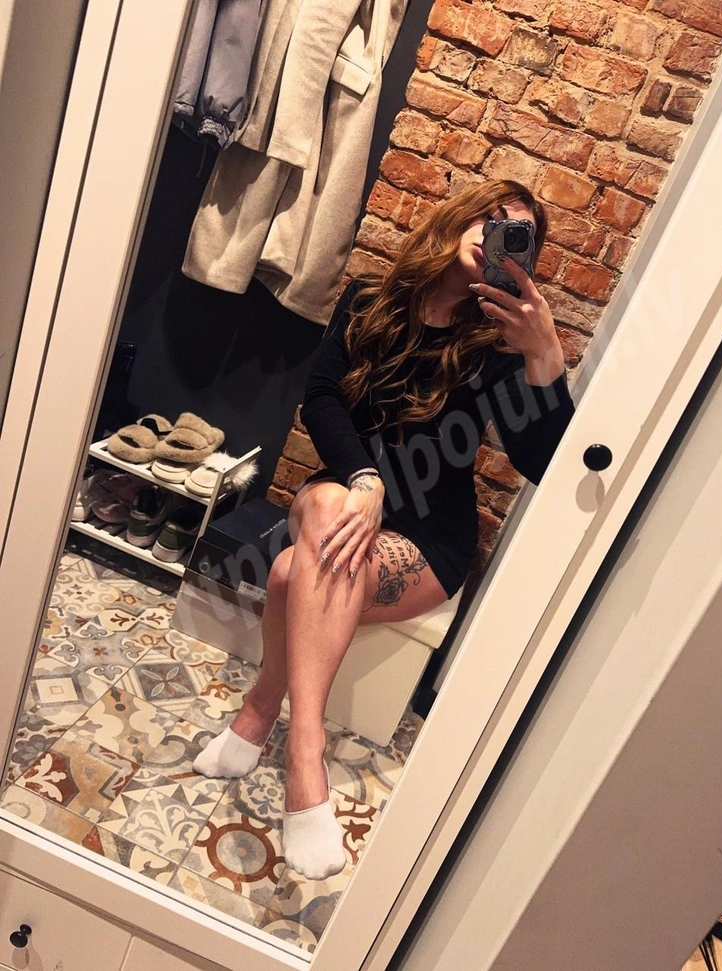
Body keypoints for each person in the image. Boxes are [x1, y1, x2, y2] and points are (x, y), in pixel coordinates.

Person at [194, 180, 575, 880]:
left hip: (430, 534)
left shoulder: (498, 344)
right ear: (459, 216)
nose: (494, 234)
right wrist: (366, 480)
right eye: (490, 217)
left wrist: (545, 359)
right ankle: (305, 755)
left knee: (290, 572)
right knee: (333, 513)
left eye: (515, 234)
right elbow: (321, 398)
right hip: (345, 491)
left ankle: (259, 714)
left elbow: (542, 461)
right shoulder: (370, 299)